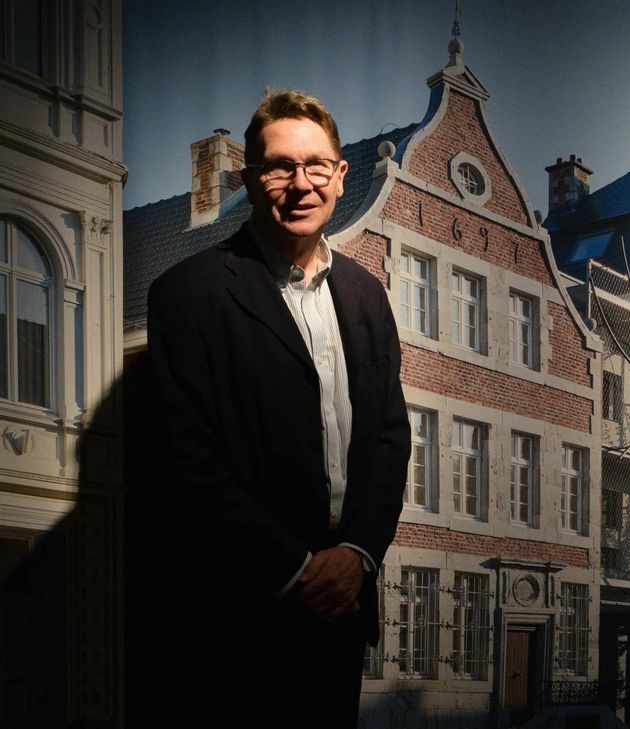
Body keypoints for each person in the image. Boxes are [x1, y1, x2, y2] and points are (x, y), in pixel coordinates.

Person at [145, 90, 409, 726]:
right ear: (250, 178)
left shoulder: (367, 296)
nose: (300, 184)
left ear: (342, 177)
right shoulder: (188, 295)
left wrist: (358, 556)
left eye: (317, 165)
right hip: (236, 620)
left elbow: (389, 443)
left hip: (344, 612)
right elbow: (188, 462)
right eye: (279, 167)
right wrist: (297, 570)